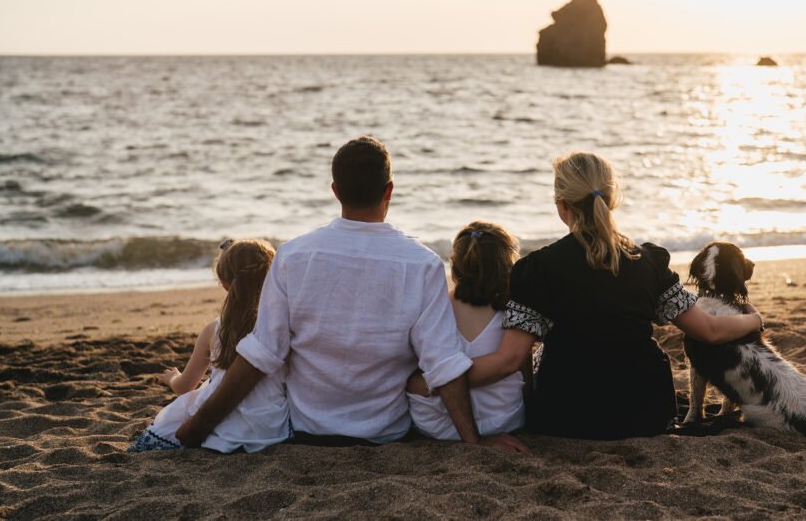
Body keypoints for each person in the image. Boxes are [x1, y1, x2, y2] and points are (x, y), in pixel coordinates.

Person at [174, 136, 527, 453]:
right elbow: (442, 363)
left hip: (307, 430)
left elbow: (262, 354)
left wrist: (199, 426)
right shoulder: (422, 265)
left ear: (335, 190)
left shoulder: (293, 256)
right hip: (386, 433)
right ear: (389, 190)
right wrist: (474, 441)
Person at [467, 152, 764, 440]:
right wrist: (753, 321)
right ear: (612, 200)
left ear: (561, 206)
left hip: (565, 416)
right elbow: (709, 331)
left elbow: (509, 360)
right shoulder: (648, 261)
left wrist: (441, 382)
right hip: (647, 412)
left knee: (542, 355)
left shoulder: (536, 270)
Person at [129, 238, 290, 452]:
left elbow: (185, 387)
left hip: (218, 427)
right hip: (270, 427)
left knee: (173, 417)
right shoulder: (281, 325)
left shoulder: (213, 331)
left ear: (224, 283)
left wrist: (172, 378)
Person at [406, 222, 527, 440]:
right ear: (508, 266)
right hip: (504, 419)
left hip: (438, 424)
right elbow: (524, 374)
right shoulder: (515, 310)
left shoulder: (434, 308)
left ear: (454, 266)